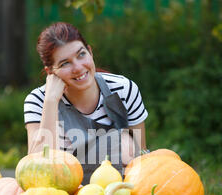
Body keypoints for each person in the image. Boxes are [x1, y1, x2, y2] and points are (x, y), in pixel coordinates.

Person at [24, 22, 148, 185]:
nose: (78, 67)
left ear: (90, 52)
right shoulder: (38, 101)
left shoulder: (123, 89)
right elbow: (36, 171)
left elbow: (142, 159)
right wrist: (51, 101)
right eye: (65, 63)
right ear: (51, 72)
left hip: (119, 192)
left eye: (81, 54)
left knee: (127, 144)